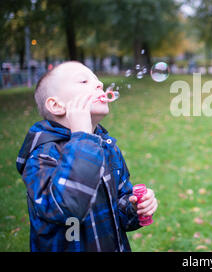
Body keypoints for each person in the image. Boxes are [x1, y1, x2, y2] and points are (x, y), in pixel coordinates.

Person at [16, 61, 158, 252]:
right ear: (56, 105)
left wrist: (134, 207)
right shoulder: (42, 155)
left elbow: (118, 209)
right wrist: (82, 136)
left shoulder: (106, 146)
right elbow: (66, 209)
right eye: (84, 81)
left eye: (98, 80)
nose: (99, 84)